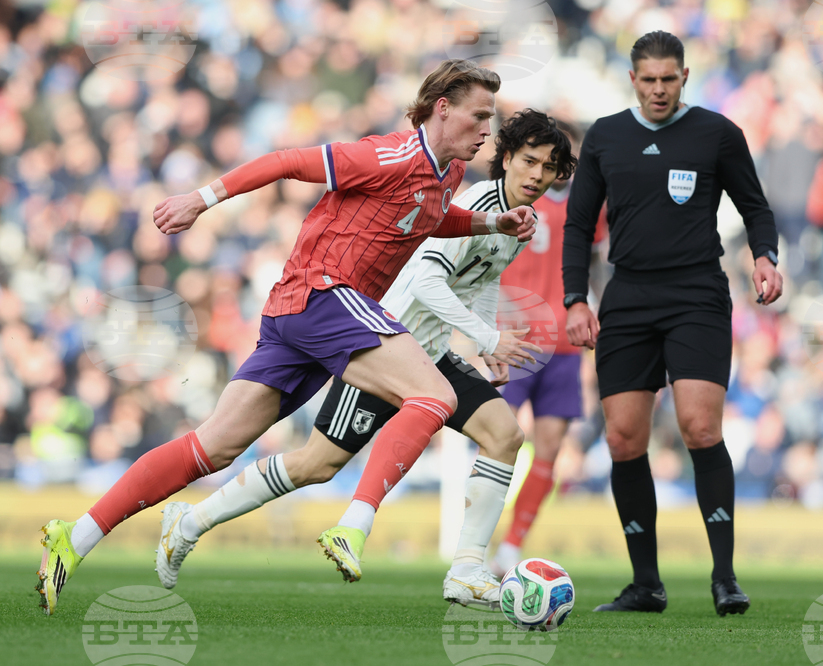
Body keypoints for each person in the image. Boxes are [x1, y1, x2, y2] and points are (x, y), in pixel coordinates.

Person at [35, 59, 537, 615]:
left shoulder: (447, 175)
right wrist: (200, 200)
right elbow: (285, 161)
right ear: (443, 109)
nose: (488, 130)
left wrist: (493, 223)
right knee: (435, 396)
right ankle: (354, 525)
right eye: (479, 116)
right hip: (325, 295)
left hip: (299, 314)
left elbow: (429, 218)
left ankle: (75, 536)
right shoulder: (387, 154)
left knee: (213, 447)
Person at [154, 109, 577, 605]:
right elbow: (427, 280)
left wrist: (491, 344)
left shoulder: (515, 220)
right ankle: (192, 519)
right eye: (529, 161)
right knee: (317, 464)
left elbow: (481, 280)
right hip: (383, 348)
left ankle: (467, 567)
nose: (538, 175)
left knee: (505, 436)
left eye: (549, 167)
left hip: (431, 353)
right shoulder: (481, 203)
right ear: (505, 158)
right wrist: (486, 339)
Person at [562, 31, 782, 616]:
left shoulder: (717, 133)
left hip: (696, 294)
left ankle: (725, 577)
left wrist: (765, 255)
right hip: (628, 295)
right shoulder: (606, 136)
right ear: (632, 80)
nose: (659, 89)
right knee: (622, 438)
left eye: (669, 79)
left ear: (684, 77)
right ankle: (646, 585)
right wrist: (574, 299)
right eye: (648, 80)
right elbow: (578, 225)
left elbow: (756, 207)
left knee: (699, 428)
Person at [488, 121, 591, 576]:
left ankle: (511, 545)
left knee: (548, 446)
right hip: (514, 338)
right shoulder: (510, 198)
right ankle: (476, 541)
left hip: (563, 343)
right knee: (498, 440)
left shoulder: (586, 206)